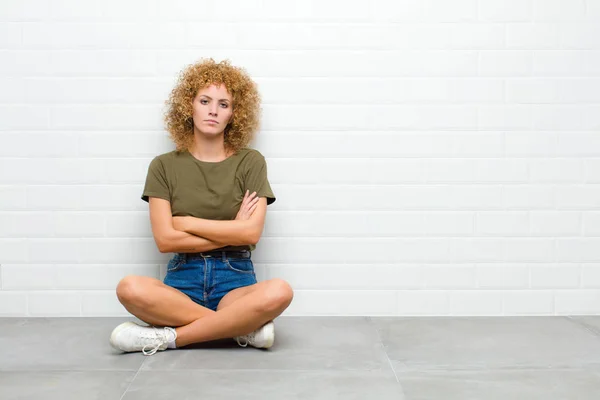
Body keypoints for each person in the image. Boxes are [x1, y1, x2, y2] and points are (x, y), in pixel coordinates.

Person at [109, 58, 294, 356]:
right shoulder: (163, 166)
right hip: (182, 279)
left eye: (223, 104)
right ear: (189, 106)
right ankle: (240, 329)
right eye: (205, 100)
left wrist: (186, 222)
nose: (212, 110)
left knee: (280, 291)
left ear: (234, 113)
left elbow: (251, 234)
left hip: (235, 278)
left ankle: (169, 338)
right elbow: (165, 241)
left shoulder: (251, 161)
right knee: (129, 287)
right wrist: (233, 228)